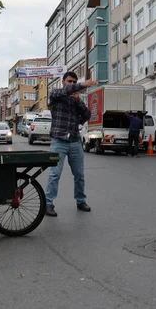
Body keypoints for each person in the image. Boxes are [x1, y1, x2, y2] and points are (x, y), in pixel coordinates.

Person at [45, 72, 98, 217]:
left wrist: (78, 101)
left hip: (74, 141)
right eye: (69, 81)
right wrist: (82, 84)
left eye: (74, 81)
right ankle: (48, 204)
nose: (71, 83)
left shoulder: (76, 100)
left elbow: (87, 115)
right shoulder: (56, 94)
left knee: (79, 174)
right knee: (54, 174)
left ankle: (80, 201)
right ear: (63, 82)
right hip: (58, 140)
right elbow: (64, 91)